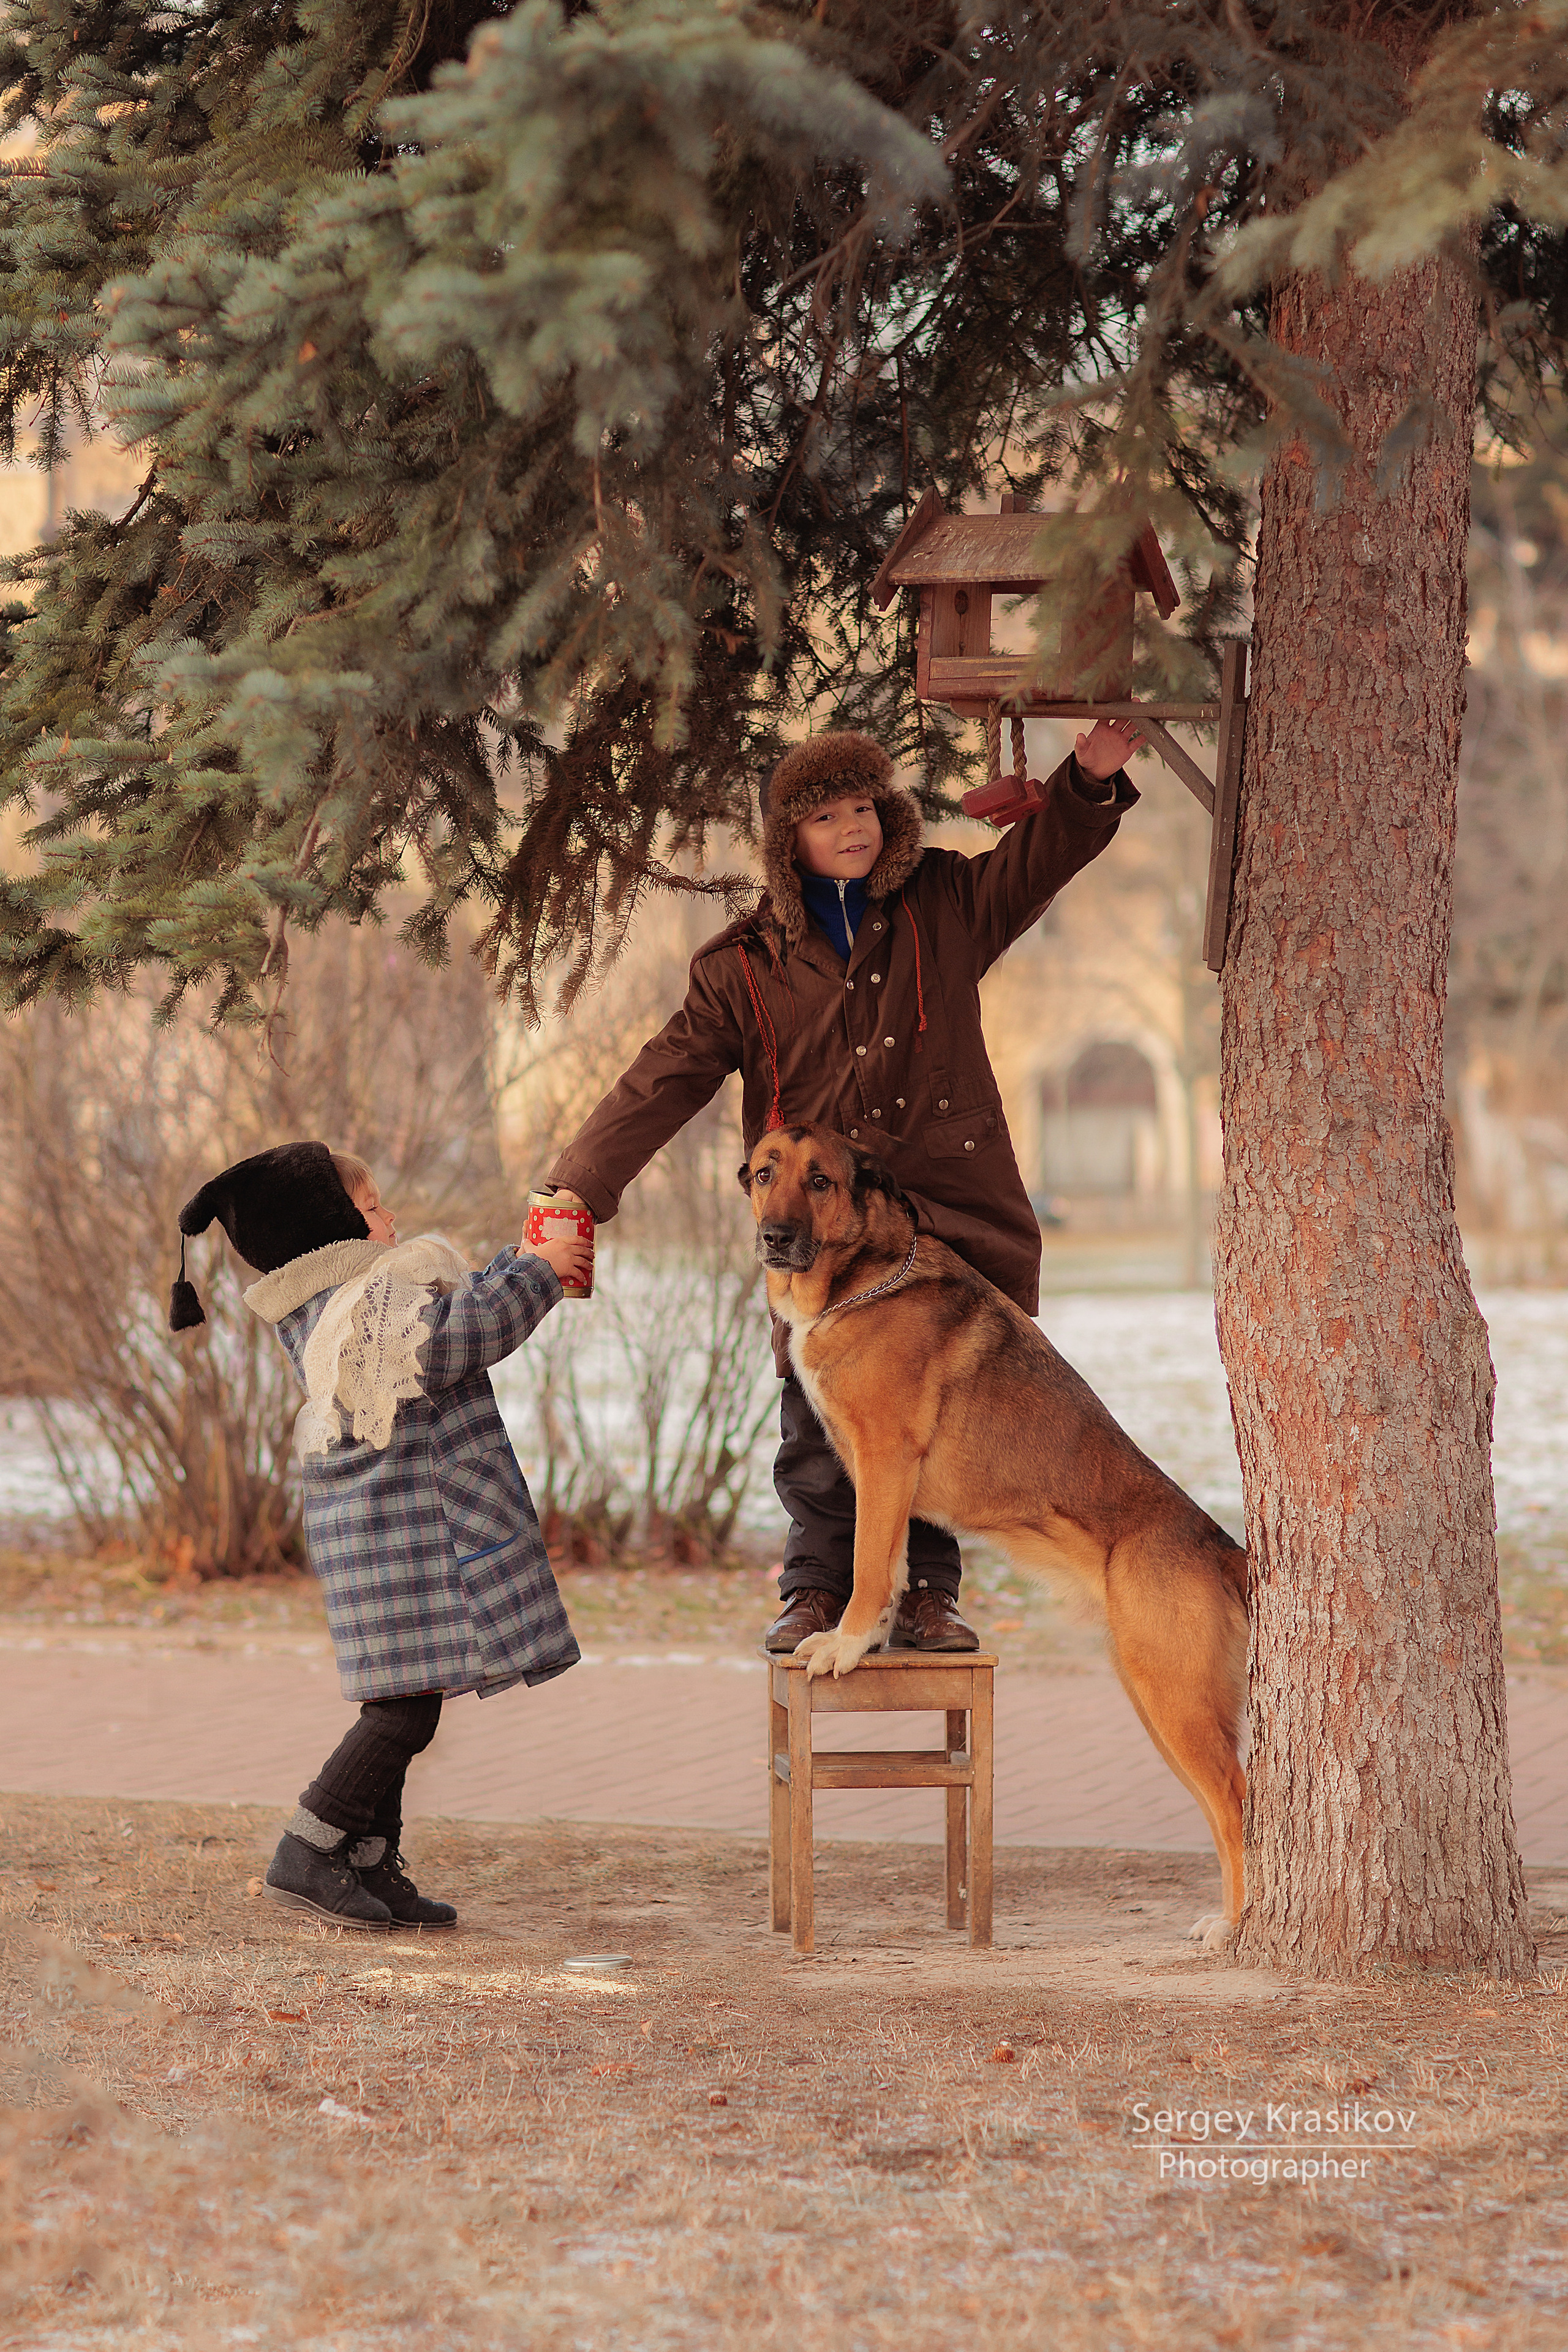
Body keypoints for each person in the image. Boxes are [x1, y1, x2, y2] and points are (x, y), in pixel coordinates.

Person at [544, 718, 1143, 1653]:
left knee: (946, 1408)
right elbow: (664, 1077)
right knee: (818, 1418)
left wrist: (1090, 778)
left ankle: (928, 1597)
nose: (854, 828)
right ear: (792, 841)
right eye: (828, 816)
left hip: (950, 1205)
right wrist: (580, 1184)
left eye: (864, 807)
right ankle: (818, 1590)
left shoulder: (941, 900)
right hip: (820, 1225)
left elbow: (1032, 866)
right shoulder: (741, 967)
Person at [168, 1140, 589, 1930]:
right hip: (395, 1536)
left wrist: (522, 1256)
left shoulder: (363, 1299)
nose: (389, 1217)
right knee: (402, 1712)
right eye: (370, 1209)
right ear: (326, 1230)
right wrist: (540, 1275)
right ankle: (310, 1845)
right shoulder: (351, 1311)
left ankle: (368, 1859)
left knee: (411, 1695)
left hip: (396, 1533)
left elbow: (442, 1313)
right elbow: (453, 1338)